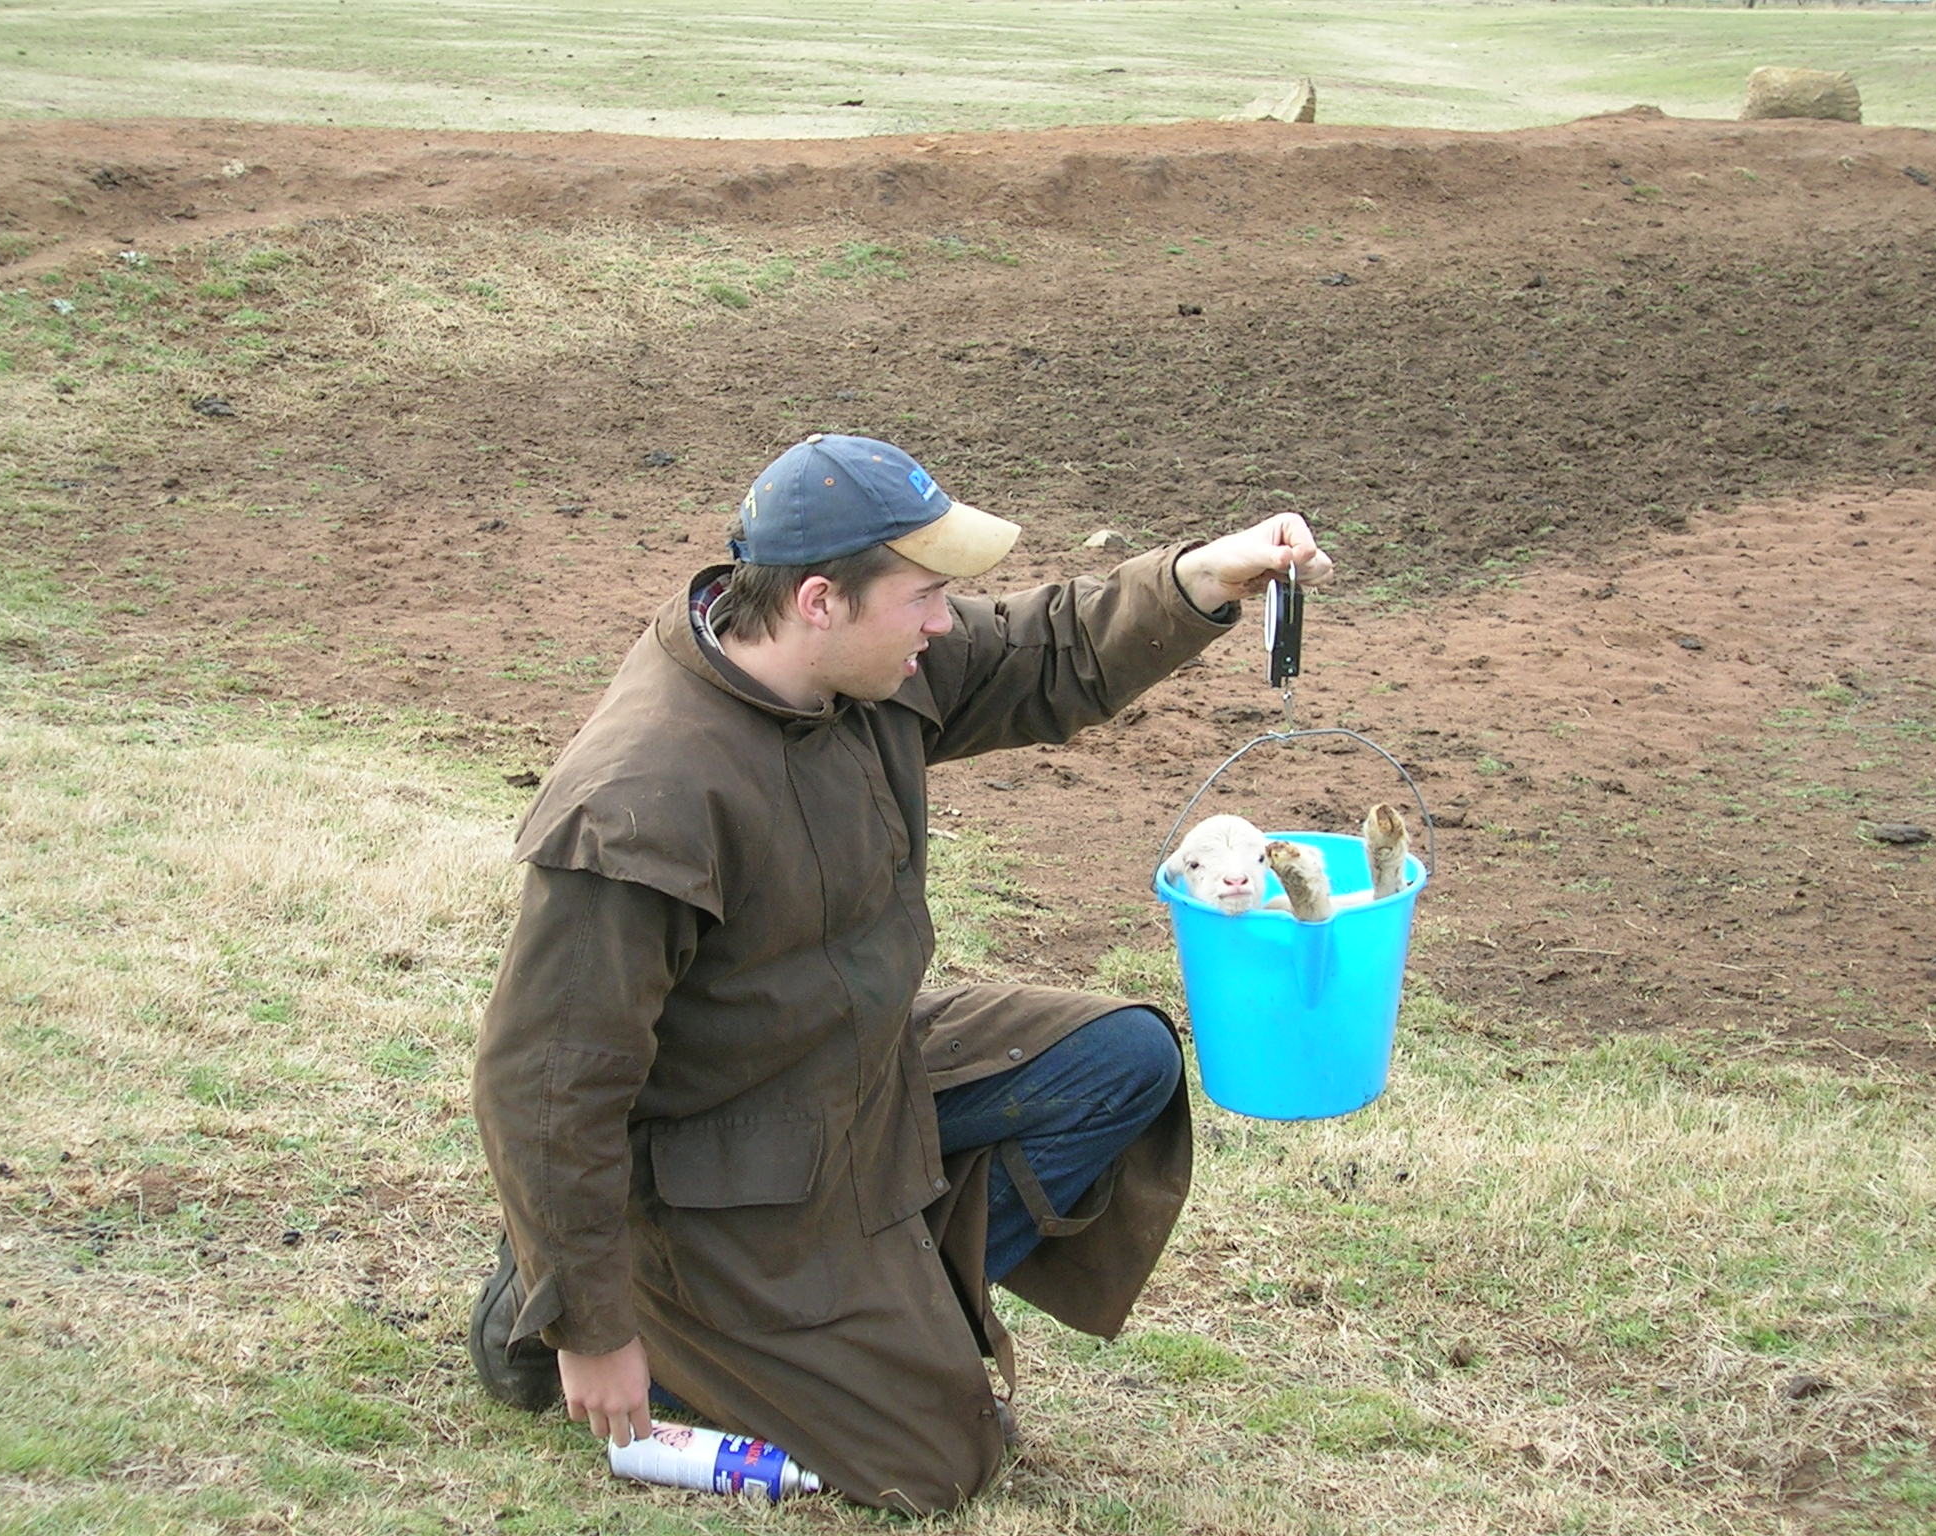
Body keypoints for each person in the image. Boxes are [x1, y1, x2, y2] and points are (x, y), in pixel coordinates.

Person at [468, 433, 1332, 1513]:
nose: (942, 621)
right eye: (924, 595)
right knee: (938, 1462)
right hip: (720, 1169)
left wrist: (1202, 576)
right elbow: (545, 1087)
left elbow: (1036, 648)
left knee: (1122, 1063)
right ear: (820, 599)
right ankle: (603, 1296)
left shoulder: (860, 666)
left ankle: (883, 1303)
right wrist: (589, 1329)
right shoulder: (640, 800)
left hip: (856, 1075)